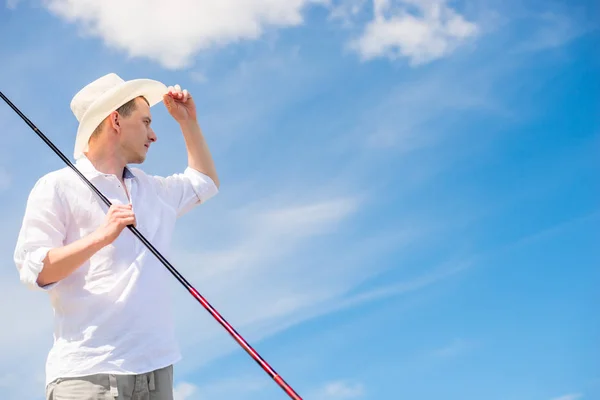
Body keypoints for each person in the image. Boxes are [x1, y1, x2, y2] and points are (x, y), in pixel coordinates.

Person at [13, 72, 220, 400]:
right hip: (88, 374)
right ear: (115, 121)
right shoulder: (56, 186)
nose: (153, 135)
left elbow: (204, 182)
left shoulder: (152, 189)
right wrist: (101, 236)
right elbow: (36, 270)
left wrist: (188, 123)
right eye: (147, 122)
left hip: (157, 371)